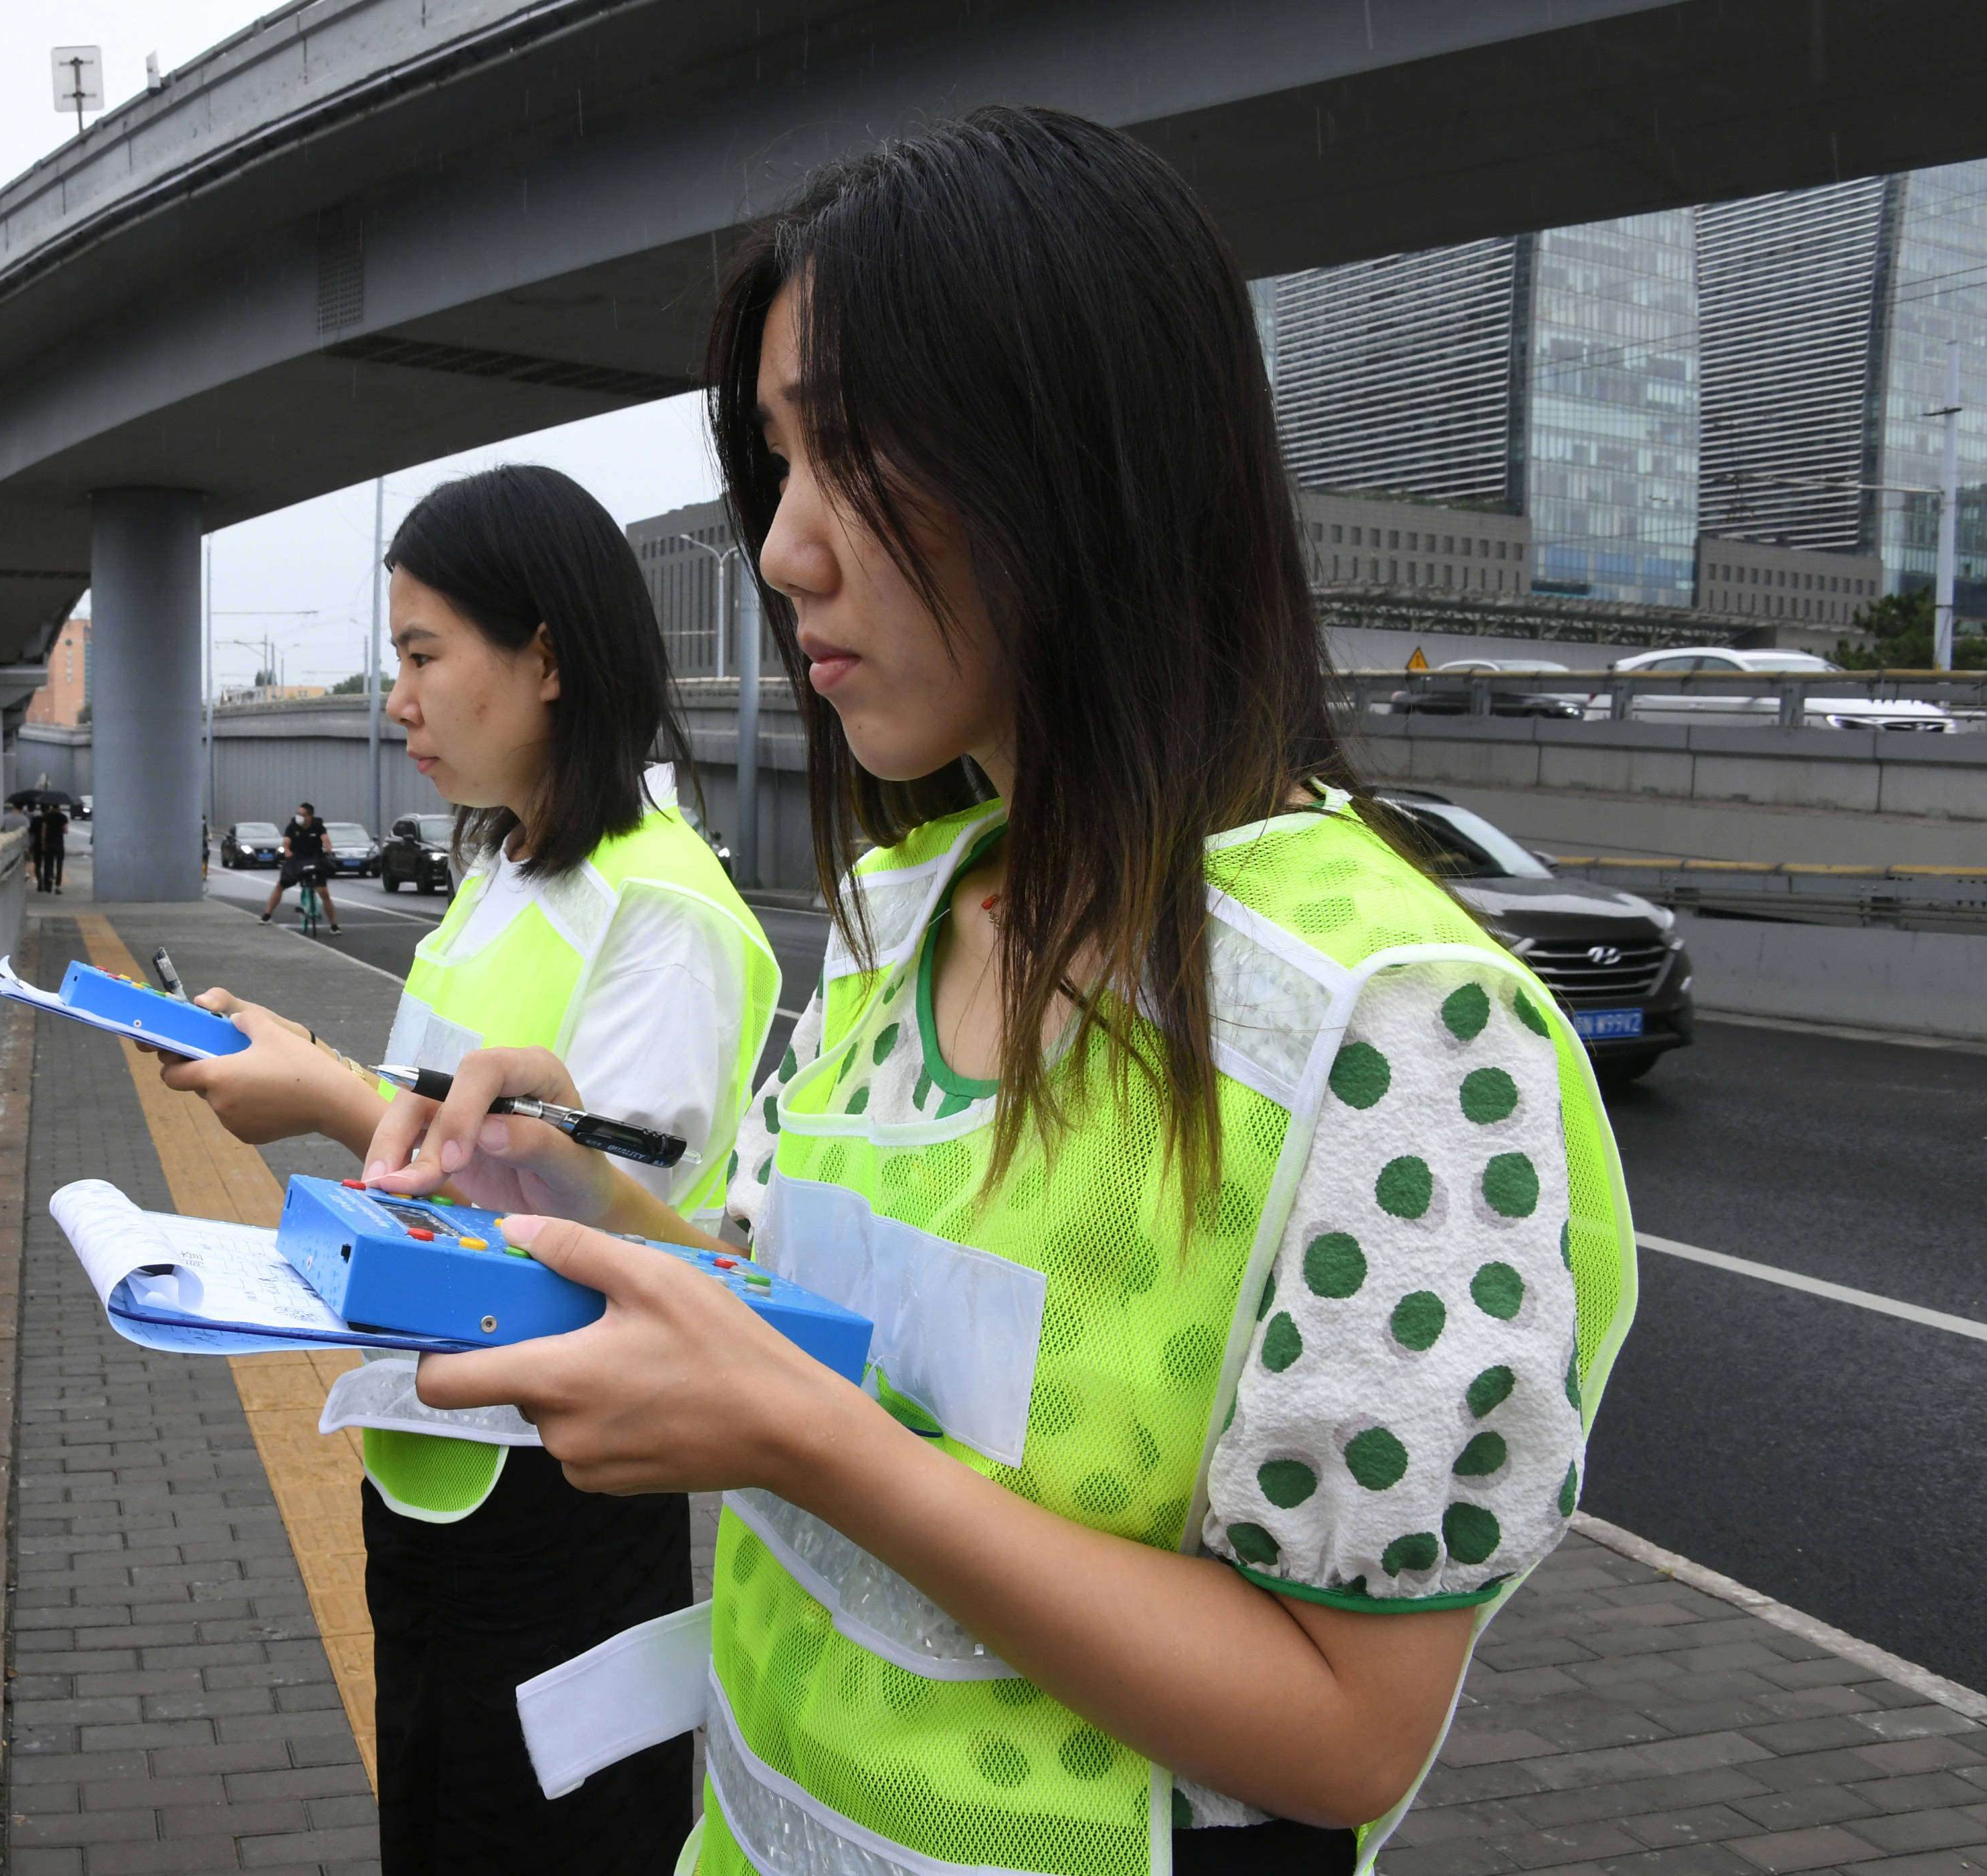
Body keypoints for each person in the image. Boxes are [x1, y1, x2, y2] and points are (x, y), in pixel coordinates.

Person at [361, 109, 1638, 1876]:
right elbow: (819, 1320)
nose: (788, 551)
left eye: (857, 458)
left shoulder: (1406, 1024)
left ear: (1087, 456)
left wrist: (820, 1457)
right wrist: (572, 1201)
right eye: (779, 472)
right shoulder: (908, 912)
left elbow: (1346, 1724)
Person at [155, 464, 782, 1873]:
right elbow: (437, 1128)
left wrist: (316, 1093)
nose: (400, 702)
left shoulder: (662, 910)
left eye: (426, 655)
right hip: (432, 1461)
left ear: (547, 657)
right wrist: (306, 1057)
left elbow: (615, 1236)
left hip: (565, 1490)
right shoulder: (506, 874)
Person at [257, 799, 346, 931]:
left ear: (310, 816)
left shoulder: (318, 826)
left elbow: (326, 839)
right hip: (297, 859)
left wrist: (329, 848)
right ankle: (267, 915)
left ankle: (334, 925)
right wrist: (287, 851)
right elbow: (286, 842)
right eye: (298, 814)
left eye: (302, 814)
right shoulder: (292, 826)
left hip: (315, 858)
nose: (299, 817)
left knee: (324, 893)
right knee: (281, 885)